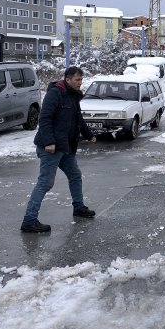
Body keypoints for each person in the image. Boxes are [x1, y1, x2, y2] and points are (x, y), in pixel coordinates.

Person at [21, 66, 97, 233]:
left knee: (75, 175)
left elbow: (78, 119)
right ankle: (29, 220)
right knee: (45, 183)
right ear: (68, 79)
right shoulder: (55, 93)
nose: (80, 83)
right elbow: (45, 118)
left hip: (65, 146)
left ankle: (78, 207)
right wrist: (49, 141)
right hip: (51, 147)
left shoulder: (73, 95)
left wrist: (88, 134)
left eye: (81, 80)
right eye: (77, 80)